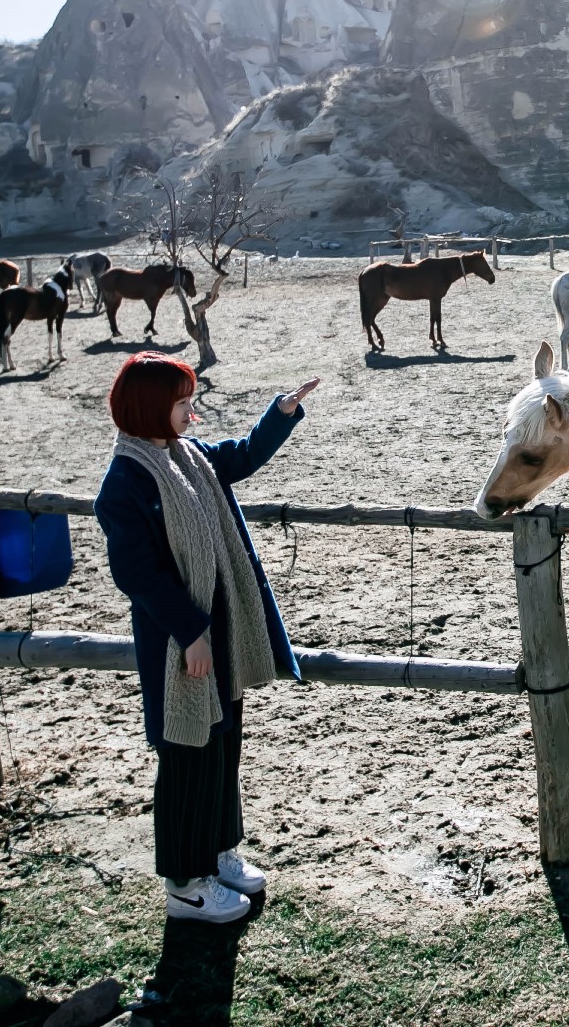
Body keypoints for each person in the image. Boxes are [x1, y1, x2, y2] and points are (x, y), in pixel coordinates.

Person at [96, 351, 320, 923]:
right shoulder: (126, 481)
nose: (191, 412)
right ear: (151, 407)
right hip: (181, 642)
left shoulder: (184, 457)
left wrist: (281, 414)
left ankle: (218, 851)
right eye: (181, 402)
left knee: (223, 744)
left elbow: (240, 457)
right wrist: (191, 632)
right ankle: (185, 883)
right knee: (187, 753)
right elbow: (137, 573)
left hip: (224, 632)